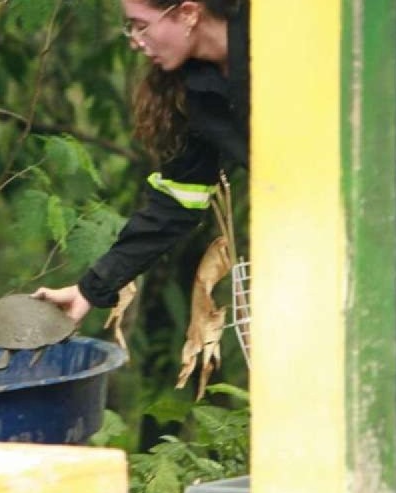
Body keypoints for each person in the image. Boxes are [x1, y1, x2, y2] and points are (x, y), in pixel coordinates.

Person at [34, 0, 248, 322]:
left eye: (140, 24)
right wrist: (90, 289)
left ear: (188, 13)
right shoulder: (190, 88)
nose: (134, 40)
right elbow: (177, 202)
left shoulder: (281, 36)